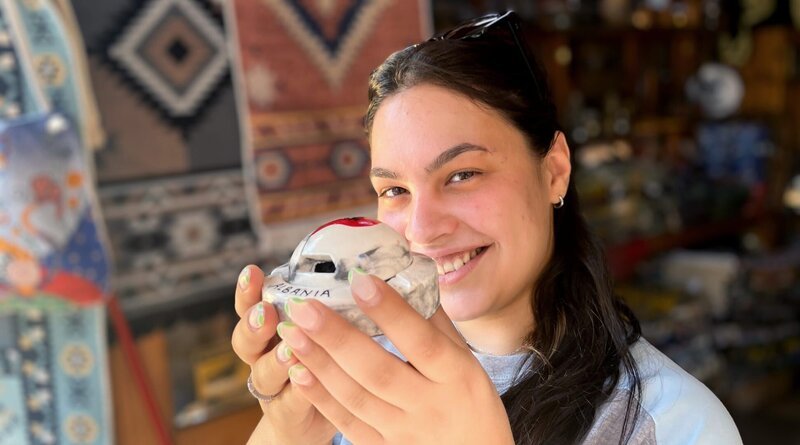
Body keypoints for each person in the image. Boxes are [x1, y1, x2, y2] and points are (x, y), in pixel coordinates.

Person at [231, 11, 742, 445]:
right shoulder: (358, 372)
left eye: (463, 175)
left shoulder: (672, 424)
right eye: (395, 190)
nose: (423, 229)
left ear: (554, 170)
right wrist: (284, 430)